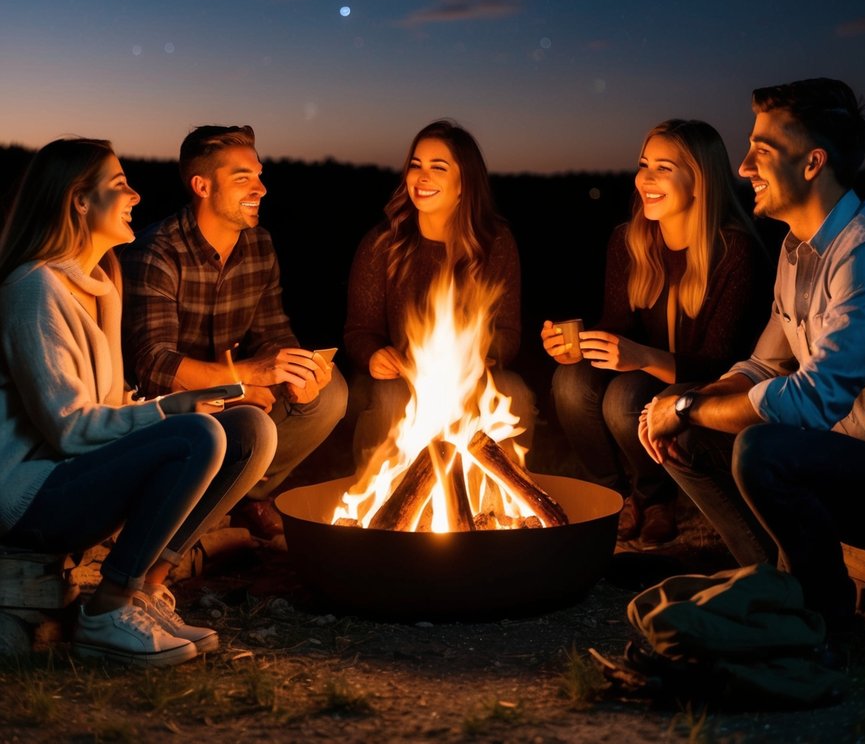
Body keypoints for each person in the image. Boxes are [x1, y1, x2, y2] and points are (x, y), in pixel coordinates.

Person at [640, 79, 865, 654]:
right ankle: (773, 584)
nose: (744, 164)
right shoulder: (796, 249)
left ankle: (832, 628)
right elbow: (762, 364)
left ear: (813, 163)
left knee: (763, 447)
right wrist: (681, 406)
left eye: (763, 149)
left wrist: (689, 406)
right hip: (839, 461)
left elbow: (812, 402)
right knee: (684, 426)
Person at [0, 138, 278, 667]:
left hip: (78, 473)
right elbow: (67, 428)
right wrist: (170, 411)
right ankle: (108, 609)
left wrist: (187, 401)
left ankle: (147, 587)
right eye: (119, 183)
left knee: (248, 429)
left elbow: (106, 402)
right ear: (80, 201)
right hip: (30, 495)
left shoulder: (103, 280)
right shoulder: (34, 290)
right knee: (195, 434)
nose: (135, 193)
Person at [543, 119, 769, 546]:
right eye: (644, 164)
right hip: (644, 369)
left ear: (700, 181)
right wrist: (577, 346)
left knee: (625, 398)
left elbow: (722, 362)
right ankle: (614, 496)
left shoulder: (733, 251)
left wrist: (643, 358)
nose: (644, 178)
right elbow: (618, 326)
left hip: (709, 382)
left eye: (663, 168)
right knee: (570, 382)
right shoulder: (629, 241)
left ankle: (657, 497)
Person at [121, 125, 347, 541]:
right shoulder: (157, 251)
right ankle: (180, 508)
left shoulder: (258, 245)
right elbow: (153, 365)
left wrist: (298, 376)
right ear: (202, 185)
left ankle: (243, 496)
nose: (260, 188)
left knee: (330, 394)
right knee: (230, 412)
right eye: (243, 178)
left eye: (259, 175)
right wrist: (244, 379)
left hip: (235, 398)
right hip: (169, 411)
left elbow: (273, 334)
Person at [344, 119, 535, 465]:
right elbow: (359, 331)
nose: (422, 176)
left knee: (516, 393)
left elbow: (509, 333)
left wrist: (473, 354)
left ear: (464, 183)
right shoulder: (383, 244)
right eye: (416, 165)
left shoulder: (495, 244)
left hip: (471, 373)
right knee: (390, 398)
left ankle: (497, 504)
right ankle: (380, 509)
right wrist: (373, 354)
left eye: (438, 167)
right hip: (399, 377)